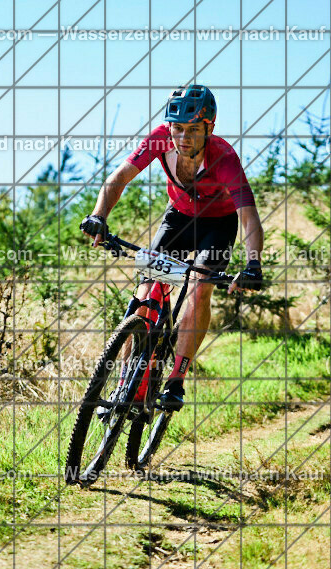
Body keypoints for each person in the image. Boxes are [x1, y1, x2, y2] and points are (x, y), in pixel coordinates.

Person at [80, 84, 265, 411]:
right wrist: (98, 216)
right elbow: (120, 177)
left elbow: (247, 215)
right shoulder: (159, 139)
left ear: (210, 127)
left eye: (193, 129)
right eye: (177, 128)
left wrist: (253, 264)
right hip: (178, 218)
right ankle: (126, 382)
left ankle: (176, 381)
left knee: (199, 287)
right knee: (145, 290)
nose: (183, 138)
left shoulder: (224, 158)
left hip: (218, 225)